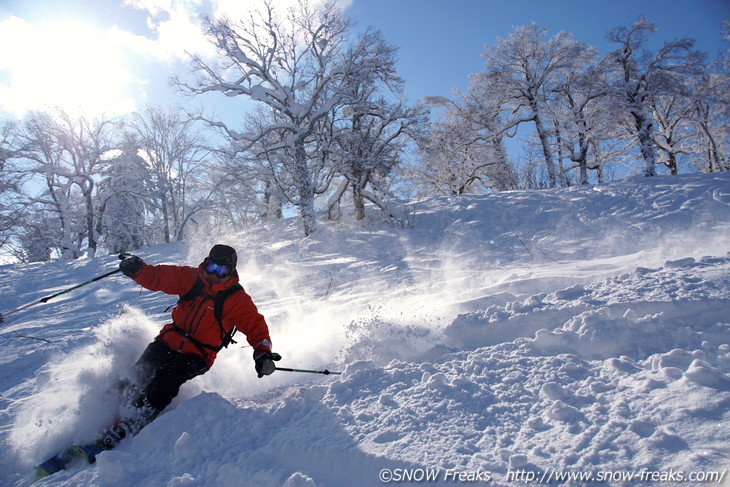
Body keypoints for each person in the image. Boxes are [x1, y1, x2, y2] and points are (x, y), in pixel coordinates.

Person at [94, 244, 279, 453]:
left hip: (199, 354)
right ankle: (102, 412)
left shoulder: (237, 299)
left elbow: (256, 327)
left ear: (231, 272)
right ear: (205, 263)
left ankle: (133, 420)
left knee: (166, 377)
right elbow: (158, 276)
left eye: (222, 271)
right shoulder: (191, 278)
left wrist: (262, 353)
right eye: (211, 267)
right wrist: (139, 270)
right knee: (138, 372)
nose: (215, 275)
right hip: (168, 340)